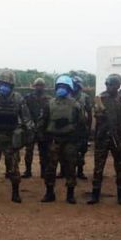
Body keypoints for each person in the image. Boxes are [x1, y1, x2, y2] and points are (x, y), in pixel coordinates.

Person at [0, 71, 33, 203]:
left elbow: (27, 119)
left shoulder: (18, 99)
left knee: (13, 167)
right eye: (2, 84)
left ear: (12, 86)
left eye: (7, 85)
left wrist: (27, 135)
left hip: (11, 137)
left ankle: (15, 193)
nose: (4, 87)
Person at [38, 75, 85, 204]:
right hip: (54, 140)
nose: (61, 89)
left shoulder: (76, 105)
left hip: (70, 140)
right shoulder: (50, 104)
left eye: (64, 87)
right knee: (50, 168)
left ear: (69, 88)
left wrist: (80, 142)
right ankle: (49, 193)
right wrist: (42, 137)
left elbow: (81, 124)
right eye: (59, 87)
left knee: (70, 168)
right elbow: (43, 121)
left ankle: (70, 194)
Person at [88, 73, 121, 205]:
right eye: (109, 85)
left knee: (120, 167)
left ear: (118, 86)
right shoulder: (100, 98)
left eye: (113, 85)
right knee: (98, 168)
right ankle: (95, 194)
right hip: (102, 137)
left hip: (118, 138)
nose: (110, 87)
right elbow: (96, 117)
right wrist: (101, 114)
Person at [22, 78, 50, 178]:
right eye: (37, 85)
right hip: (31, 128)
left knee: (44, 152)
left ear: (44, 87)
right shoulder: (28, 98)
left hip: (43, 129)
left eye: (41, 85)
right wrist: (29, 124)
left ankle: (43, 171)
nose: (39, 87)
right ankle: (28, 171)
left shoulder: (48, 99)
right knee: (28, 151)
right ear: (34, 86)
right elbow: (24, 113)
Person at [71, 76, 93, 180]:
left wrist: (89, 128)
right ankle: (64, 171)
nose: (75, 86)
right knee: (66, 150)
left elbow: (89, 113)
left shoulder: (85, 97)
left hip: (81, 128)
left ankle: (80, 171)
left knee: (81, 150)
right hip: (69, 128)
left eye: (76, 84)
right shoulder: (67, 96)